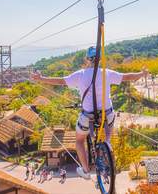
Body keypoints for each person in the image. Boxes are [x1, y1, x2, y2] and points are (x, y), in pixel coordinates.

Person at [31, 46, 148, 180]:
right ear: (100, 59)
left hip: (88, 116)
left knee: (80, 141)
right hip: (106, 114)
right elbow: (127, 77)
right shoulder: (107, 73)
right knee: (110, 121)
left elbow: (60, 81)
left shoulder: (80, 74)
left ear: (87, 59)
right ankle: (108, 141)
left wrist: (41, 78)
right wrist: (141, 73)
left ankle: (86, 170)